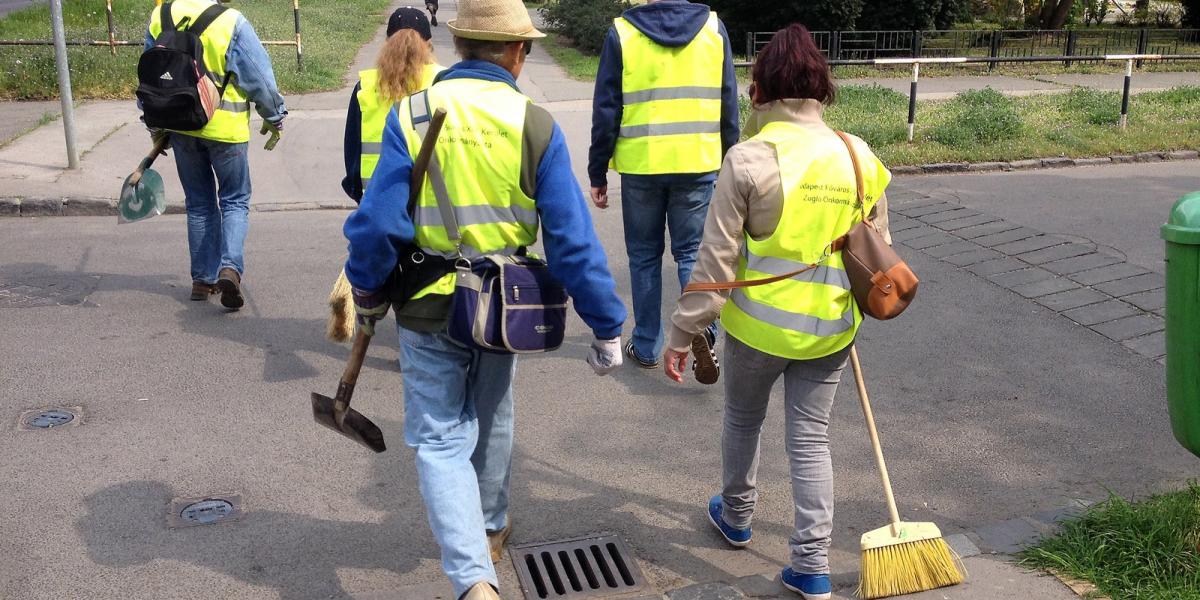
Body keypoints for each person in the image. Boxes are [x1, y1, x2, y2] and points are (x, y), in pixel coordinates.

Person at [342, 0, 627, 598]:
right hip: (503, 310)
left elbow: (377, 227)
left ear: (460, 46)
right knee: (492, 415)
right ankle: (491, 530)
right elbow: (572, 241)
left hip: (426, 305)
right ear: (518, 53)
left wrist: (366, 291)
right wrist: (606, 327)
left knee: (441, 438)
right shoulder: (536, 124)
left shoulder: (412, 114)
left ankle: (474, 581)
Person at [662, 24, 892, 600]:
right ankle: (811, 566)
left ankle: (737, 518)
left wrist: (682, 334)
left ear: (760, 89)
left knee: (743, 420)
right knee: (811, 439)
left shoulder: (749, 160)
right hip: (832, 332)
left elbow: (715, 262)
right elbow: (877, 255)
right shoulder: (859, 157)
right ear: (822, 87)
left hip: (756, 331)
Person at [588, 0, 739, 372]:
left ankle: (646, 346)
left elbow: (606, 109)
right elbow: (728, 102)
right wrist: (732, 163)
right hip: (698, 162)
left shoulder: (622, 33)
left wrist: (597, 172)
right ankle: (701, 328)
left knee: (643, 257)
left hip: (643, 164)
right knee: (691, 254)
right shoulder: (713, 29)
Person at [143, 0, 286, 310]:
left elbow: (149, 75)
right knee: (234, 200)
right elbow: (257, 76)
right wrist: (274, 113)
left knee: (198, 203)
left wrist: (154, 123)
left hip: (181, 126)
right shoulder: (230, 21)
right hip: (226, 131)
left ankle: (202, 280)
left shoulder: (160, 15)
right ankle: (230, 268)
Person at [342, 6, 446, 202]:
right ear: (429, 44)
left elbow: (353, 153)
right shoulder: (443, 81)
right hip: (432, 202)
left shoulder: (365, 87)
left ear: (387, 42)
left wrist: (359, 196)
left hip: (377, 199)